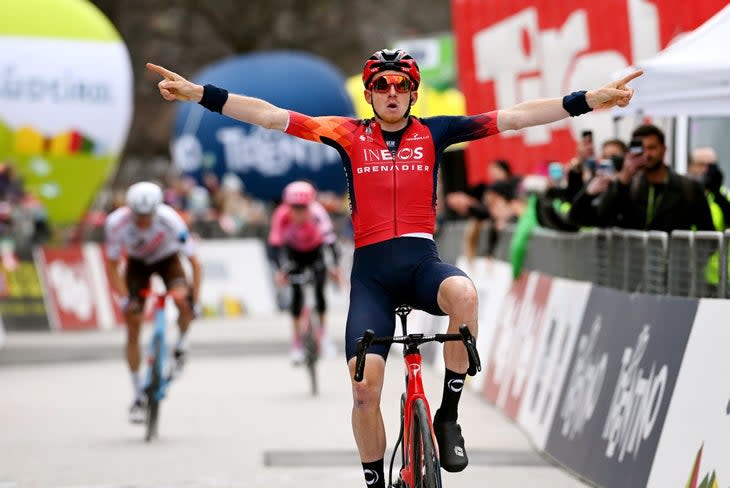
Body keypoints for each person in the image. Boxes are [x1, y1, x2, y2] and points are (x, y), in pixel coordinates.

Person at [147, 50, 641, 486]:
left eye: (400, 83)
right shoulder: (346, 133)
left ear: (412, 91)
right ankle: (374, 482)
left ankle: (447, 417)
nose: (391, 91)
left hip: (423, 265)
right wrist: (199, 95)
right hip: (373, 281)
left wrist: (586, 100)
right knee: (365, 392)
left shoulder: (437, 131)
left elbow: (513, 117)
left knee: (465, 297)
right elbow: (271, 116)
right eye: (380, 84)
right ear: (367, 94)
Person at [104, 181, 202, 424]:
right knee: (133, 323)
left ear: (157, 210)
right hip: (137, 265)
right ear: (130, 210)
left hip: (168, 260)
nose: (143, 222)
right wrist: (125, 298)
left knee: (182, 301)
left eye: (148, 216)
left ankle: (181, 344)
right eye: (138, 216)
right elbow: (113, 266)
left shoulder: (171, 220)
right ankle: (137, 395)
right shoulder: (117, 224)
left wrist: (194, 300)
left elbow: (195, 263)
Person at [570, 125, 714, 232]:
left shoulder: (688, 187)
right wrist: (623, 179)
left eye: (652, 148)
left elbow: (707, 234)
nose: (646, 155)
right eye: (641, 149)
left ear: (663, 149)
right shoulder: (627, 185)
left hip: (675, 269)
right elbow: (584, 218)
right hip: (634, 268)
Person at [267, 180, 342, 363]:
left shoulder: (317, 213)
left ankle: (324, 337)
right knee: (296, 297)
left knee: (320, 292)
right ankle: (297, 344)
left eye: (303, 207)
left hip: (315, 252)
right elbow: (274, 245)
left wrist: (335, 267)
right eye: (294, 207)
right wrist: (280, 271)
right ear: (287, 206)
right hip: (294, 254)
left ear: (310, 205)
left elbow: (331, 242)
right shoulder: (281, 215)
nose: (299, 212)